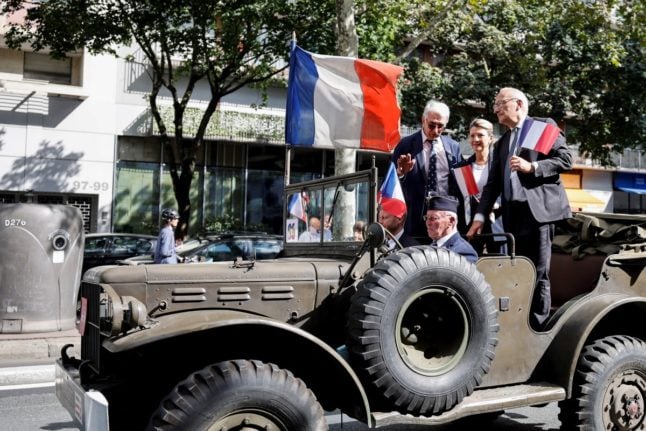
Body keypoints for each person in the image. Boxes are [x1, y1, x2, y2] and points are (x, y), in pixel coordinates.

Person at [466, 87, 573, 329]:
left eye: (501, 104)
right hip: (513, 216)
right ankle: (518, 323)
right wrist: (479, 217)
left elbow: (566, 160)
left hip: (539, 213)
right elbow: (492, 185)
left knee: (539, 271)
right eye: (495, 105)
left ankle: (538, 325)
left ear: (519, 105)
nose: (496, 109)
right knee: (518, 271)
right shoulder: (502, 143)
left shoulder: (541, 126)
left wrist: (532, 167)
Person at [392, 100, 464, 241]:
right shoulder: (406, 145)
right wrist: (401, 173)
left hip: (444, 217)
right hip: (415, 218)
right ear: (423, 120)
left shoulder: (453, 147)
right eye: (432, 125)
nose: (436, 131)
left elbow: (460, 182)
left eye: (440, 126)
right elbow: (392, 181)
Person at [458, 118, 505, 255]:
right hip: (470, 226)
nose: (475, 139)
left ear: (490, 138)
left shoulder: (500, 165)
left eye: (480, 135)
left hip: (496, 224)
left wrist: (495, 204)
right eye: (472, 136)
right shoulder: (463, 167)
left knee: (498, 267)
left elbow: (507, 190)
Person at [425, 195, 478, 263]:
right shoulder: (431, 247)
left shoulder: (463, 252)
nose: (428, 223)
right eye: (427, 218)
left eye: (433, 218)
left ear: (451, 221)